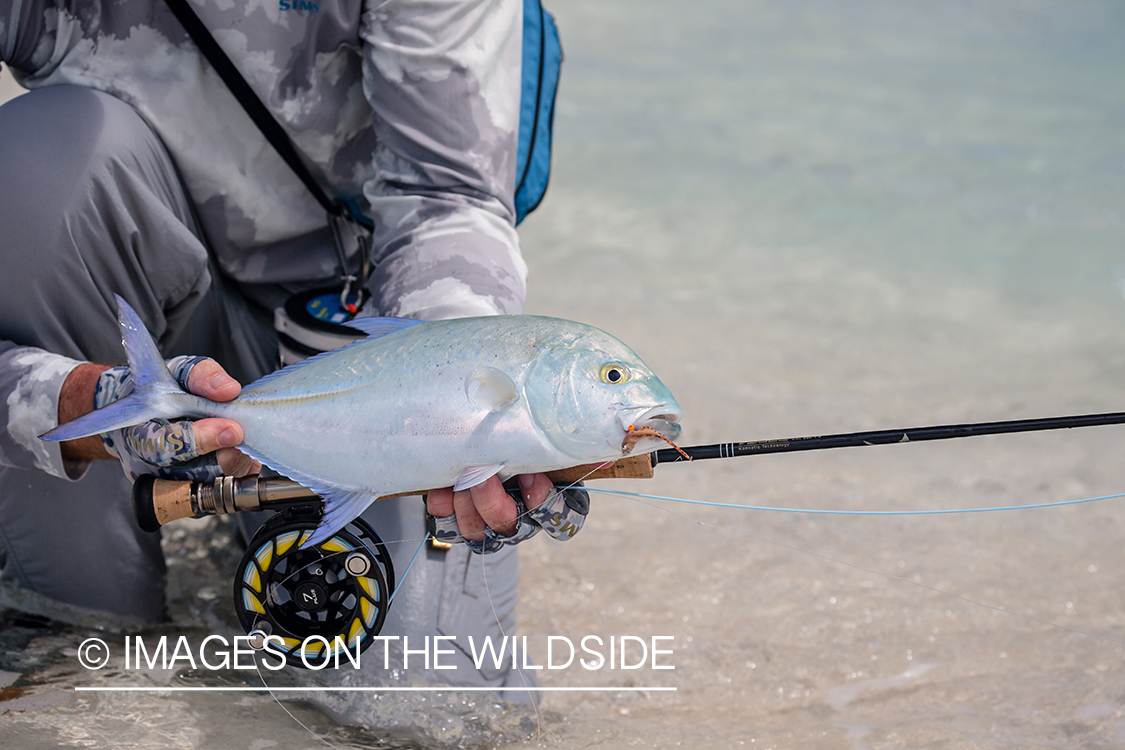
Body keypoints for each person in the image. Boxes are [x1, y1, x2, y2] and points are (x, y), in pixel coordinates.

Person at [0, 0, 572, 696]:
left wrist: (456, 397)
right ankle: (78, 626)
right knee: (39, 160)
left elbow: (444, 198)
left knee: (427, 706)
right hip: (128, 319)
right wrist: (71, 402)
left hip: (364, 333)